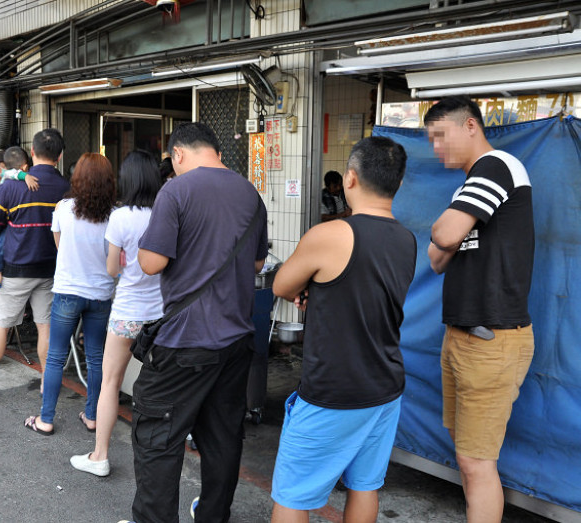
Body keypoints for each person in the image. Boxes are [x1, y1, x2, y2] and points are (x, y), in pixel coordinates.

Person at [126, 122, 267, 523]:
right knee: (223, 438)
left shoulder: (176, 190)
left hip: (184, 342)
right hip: (236, 341)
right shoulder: (250, 194)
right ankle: (212, 515)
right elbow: (256, 263)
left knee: (158, 437)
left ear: (179, 154)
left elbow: (151, 263)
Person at [270, 136, 416, 523]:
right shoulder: (407, 239)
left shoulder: (331, 234)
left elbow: (282, 286)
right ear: (398, 184)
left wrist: (308, 289)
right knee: (365, 486)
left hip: (332, 391)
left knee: (292, 494)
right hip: (385, 386)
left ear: (350, 179)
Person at [425, 95, 534, 523]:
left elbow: (445, 236)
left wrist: (444, 229)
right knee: (466, 455)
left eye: (440, 135)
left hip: (491, 338)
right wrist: (445, 234)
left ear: (470, 125)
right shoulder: (467, 186)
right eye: (430, 139)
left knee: (476, 462)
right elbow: (436, 261)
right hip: (463, 336)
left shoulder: (496, 167)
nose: (435, 147)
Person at [70, 150, 163, 477]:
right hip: (161, 316)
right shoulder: (168, 214)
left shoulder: (121, 217)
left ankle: (100, 456)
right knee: (163, 386)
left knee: (110, 382)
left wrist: (125, 263)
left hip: (127, 312)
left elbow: (112, 268)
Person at [0, 129, 70, 405]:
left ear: (33, 154)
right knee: (45, 327)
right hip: (52, 269)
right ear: (60, 156)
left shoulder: (12, 186)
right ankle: (46, 385)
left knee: (0, 326)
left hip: (15, 268)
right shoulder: (66, 187)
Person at [23, 152, 116, 435]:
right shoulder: (114, 214)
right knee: (96, 358)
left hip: (67, 292)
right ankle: (92, 416)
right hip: (100, 294)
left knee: (54, 357)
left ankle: (46, 419)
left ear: (76, 178)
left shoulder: (63, 208)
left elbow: (60, 246)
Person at [0, 150, 39, 293]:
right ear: (24, 166)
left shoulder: (10, 179)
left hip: (7, 220)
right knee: (0, 247)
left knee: (1, 246)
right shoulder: (9, 174)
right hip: (4, 220)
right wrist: (26, 176)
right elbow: (16, 173)